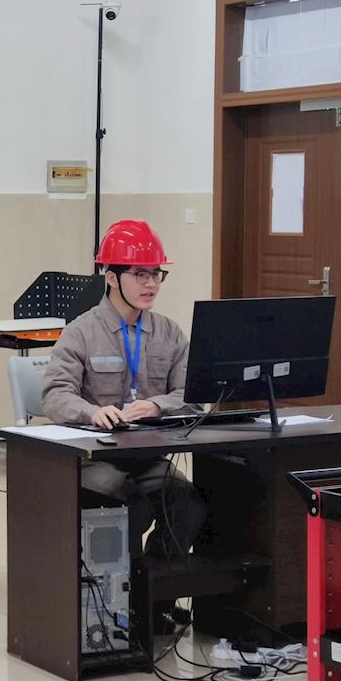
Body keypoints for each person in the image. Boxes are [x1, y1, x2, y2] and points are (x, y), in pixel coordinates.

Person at [41, 219, 207, 567]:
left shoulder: (169, 333)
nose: (151, 284)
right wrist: (92, 412)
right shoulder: (81, 332)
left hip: (147, 456)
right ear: (112, 277)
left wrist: (157, 405)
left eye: (156, 274)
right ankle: (120, 591)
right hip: (96, 459)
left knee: (188, 504)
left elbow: (192, 395)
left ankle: (153, 589)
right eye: (139, 274)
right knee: (130, 506)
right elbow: (55, 395)